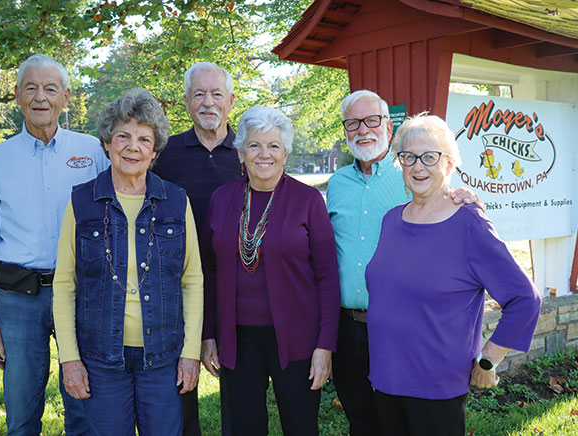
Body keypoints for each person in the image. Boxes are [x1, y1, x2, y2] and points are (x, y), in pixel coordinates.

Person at [365, 113, 542, 436]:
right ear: (399, 163)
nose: (419, 166)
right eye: (408, 157)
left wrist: (488, 360)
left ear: (449, 164)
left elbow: (524, 299)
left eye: (430, 157)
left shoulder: (468, 223)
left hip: (435, 388)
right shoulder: (392, 220)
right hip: (386, 378)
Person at [52, 88, 203, 435]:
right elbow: (64, 285)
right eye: (123, 136)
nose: (132, 147)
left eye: (144, 139)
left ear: (155, 150)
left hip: (163, 358)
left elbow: (192, 281)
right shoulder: (82, 202)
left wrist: (190, 352)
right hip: (101, 360)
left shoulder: (176, 201)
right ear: (107, 142)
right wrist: (70, 359)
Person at [326, 90, 478, 436]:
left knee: (402, 423)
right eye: (353, 122)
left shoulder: (411, 174)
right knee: (361, 420)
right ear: (345, 130)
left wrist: (469, 196)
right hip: (347, 327)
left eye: (372, 120)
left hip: (399, 327)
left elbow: (450, 204)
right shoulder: (336, 184)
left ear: (388, 126)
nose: (363, 129)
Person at [0, 53, 107, 436]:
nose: (40, 97)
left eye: (50, 88)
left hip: (81, 295)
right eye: (30, 87)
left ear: (66, 96)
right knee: (21, 412)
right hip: (17, 300)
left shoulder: (92, 152)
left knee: (85, 408)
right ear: (16, 95)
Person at [201, 106, 340, 436]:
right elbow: (209, 273)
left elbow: (327, 278)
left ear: (286, 153)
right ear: (240, 153)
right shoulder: (222, 199)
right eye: (254, 145)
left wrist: (325, 347)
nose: (264, 154)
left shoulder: (308, 201)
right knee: (245, 427)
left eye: (274, 146)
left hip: (298, 338)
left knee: (300, 426)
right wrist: (207, 335)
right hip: (236, 339)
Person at [152, 61, 242, 436]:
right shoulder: (165, 155)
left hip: (239, 287)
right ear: (187, 102)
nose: (208, 102)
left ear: (230, 101)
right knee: (180, 389)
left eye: (216, 94)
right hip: (177, 288)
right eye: (199, 94)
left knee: (239, 393)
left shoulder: (249, 152)